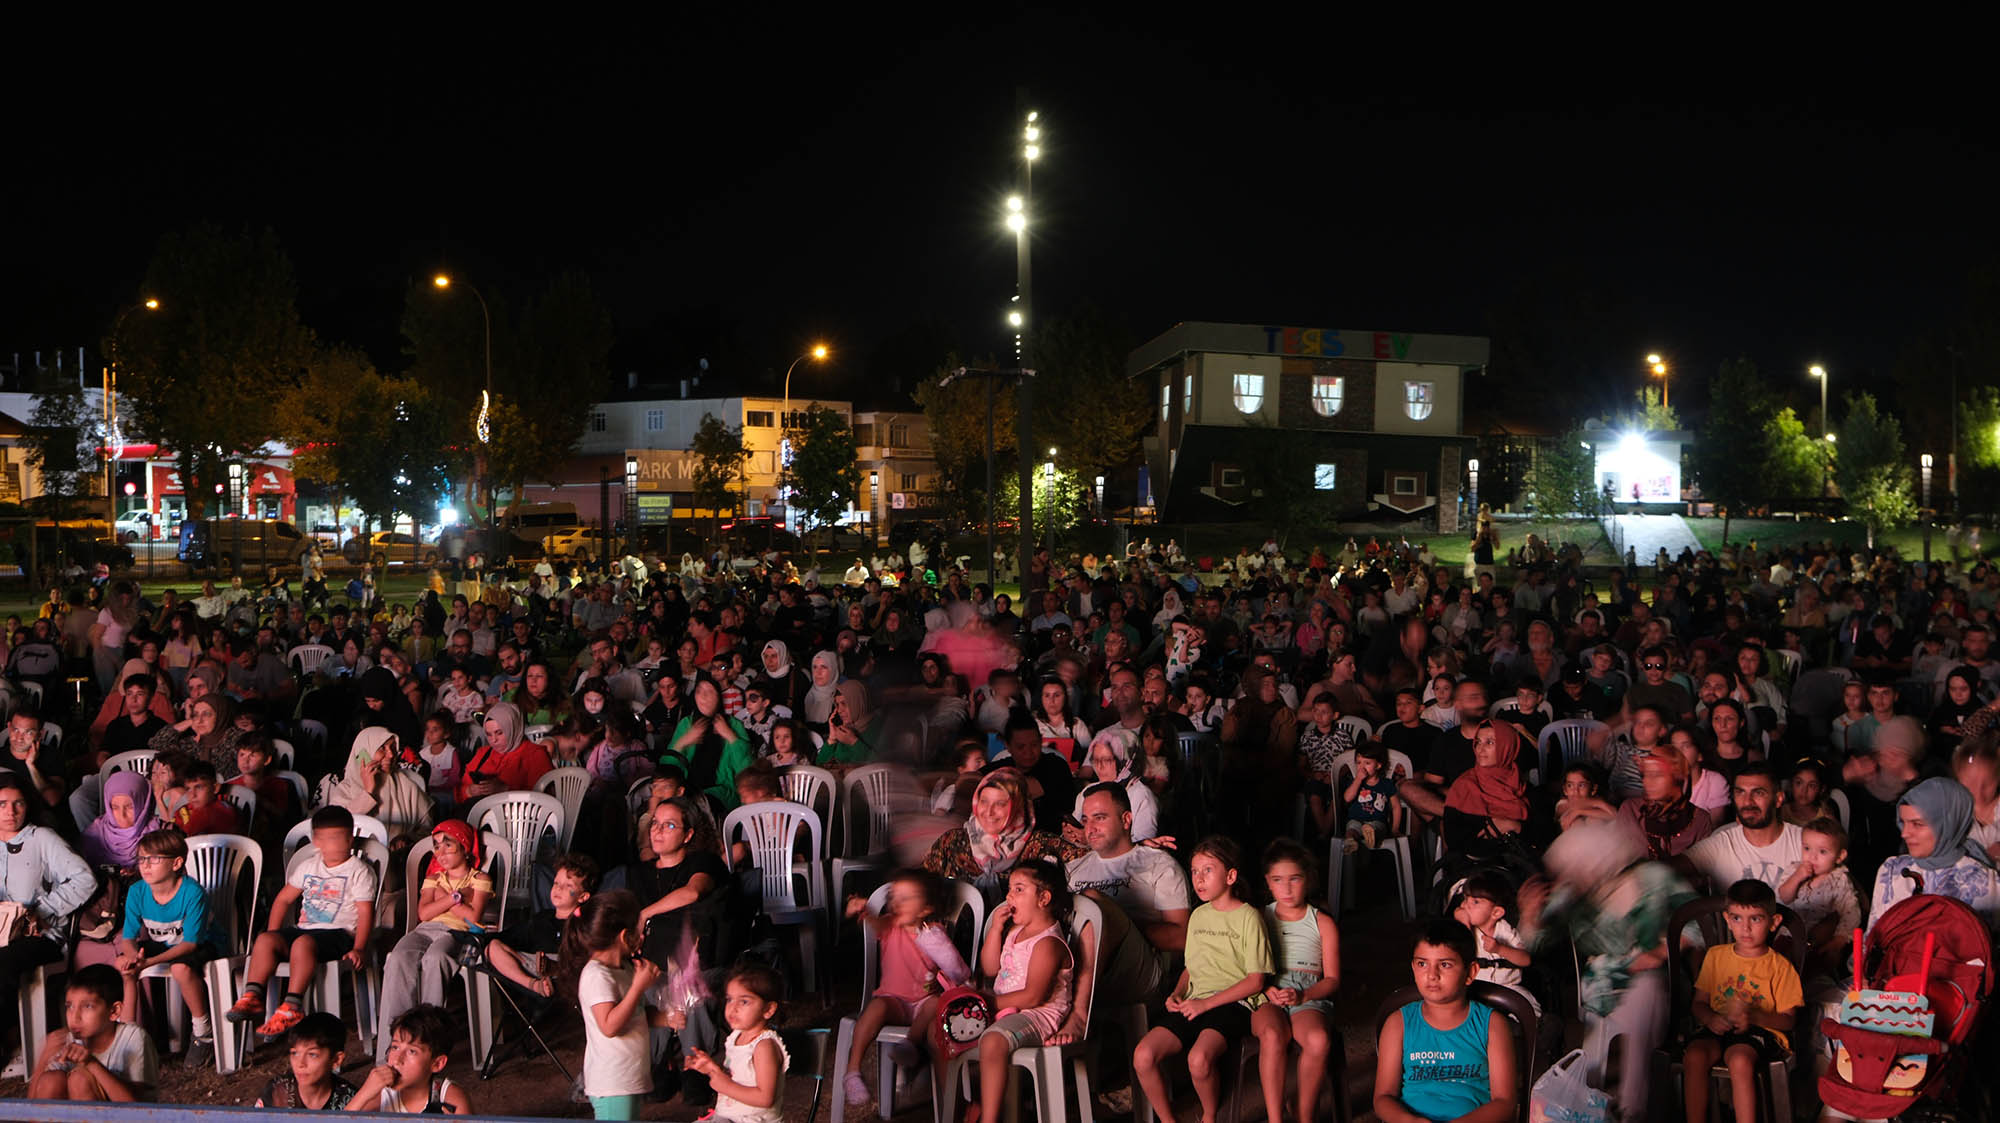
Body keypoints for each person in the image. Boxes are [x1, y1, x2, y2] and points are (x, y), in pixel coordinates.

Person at [1518, 819, 1692, 1121]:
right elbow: (1535, 943)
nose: (1572, 876)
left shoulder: (1653, 878)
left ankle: (1631, 1110)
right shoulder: (1573, 895)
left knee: (1641, 1005)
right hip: (1602, 985)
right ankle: (1596, 1109)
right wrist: (1531, 916)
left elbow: (1696, 923)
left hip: (1659, 979)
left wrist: (1659, 953)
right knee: (1594, 1057)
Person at [1132, 836, 1271, 1123]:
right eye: (1194, 871)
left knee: (1198, 1060)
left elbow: (1256, 982)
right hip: (1195, 1002)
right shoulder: (1198, 916)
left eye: (1208, 870)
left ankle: (1208, 1117)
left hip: (1234, 1003)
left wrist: (1206, 1005)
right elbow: (1190, 968)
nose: (1199, 879)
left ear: (1231, 876)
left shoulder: (1249, 918)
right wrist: (1178, 993)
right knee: (1143, 1055)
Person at [226, 805, 378, 1037]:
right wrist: (275, 936)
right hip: (305, 930)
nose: (335, 844)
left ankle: (292, 1005)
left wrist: (359, 947)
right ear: (316, 841)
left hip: (339, 935)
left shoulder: (359, 870)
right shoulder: (309, 866)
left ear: (351, 839)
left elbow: (366, 912)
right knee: (266, 940)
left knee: (302, 943)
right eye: (328, 839)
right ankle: (253, 995)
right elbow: (283, 900)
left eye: (341, 838)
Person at [839, 869, 974, 1108]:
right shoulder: (889, 925)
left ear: (924, 909)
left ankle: (911, 1045)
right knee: (876, 1007)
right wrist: (862, 909)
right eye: (894, 897)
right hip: (894, 1001)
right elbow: (873, 923)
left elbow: (955, 967)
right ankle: (853, 1071)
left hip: (924, 1003)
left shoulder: (934, 933)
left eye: (905, 898)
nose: (896, 903)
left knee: (936, 1004)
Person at [1681, 879, 1803, 1123]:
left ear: (1773, 922)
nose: (1745, 928)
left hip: (1760, 1032)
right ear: (1727, 920)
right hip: (1718, 1026)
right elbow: (1699, 1003)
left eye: (1755, 919)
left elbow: (1789, 1021)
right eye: (1737, 918)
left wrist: (1754, 1016)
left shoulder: (1780, 966)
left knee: (1739, 1060)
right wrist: (1710, 1019)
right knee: (1694, 1055)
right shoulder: (1715, 957)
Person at [1371, 919, 1517, 1123]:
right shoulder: (1398, 1024)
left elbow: (1505, 1102)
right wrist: (1409, 1121)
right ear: (1413, 968)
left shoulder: (1492, 1024)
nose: (1432, 975)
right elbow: (1382, 1098)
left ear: (1470, 972)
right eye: (1422, 964)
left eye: (1445, 964)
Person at [963, 862, 1075, 1123]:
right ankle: (966, 1104)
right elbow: (991, 968)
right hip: (1005, 1009)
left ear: (1043, 898)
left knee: (992, 1041)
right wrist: (995, 931)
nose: (1009, 896)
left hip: (1037, 1014)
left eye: (1019, 889)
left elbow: (1034, 997)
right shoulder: (1015, 933)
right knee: (949, 1028)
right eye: (1010, 889)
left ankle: (989, 1119)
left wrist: (988, 1003)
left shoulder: (1048, 943)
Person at [374, 821, 493, 1062]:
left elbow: (472, 917)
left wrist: (444, 899)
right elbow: (424, 914)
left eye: (448, 846)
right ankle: (396, 1041)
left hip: (459, 933)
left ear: (465, 848)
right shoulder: (433, 878)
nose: (441, 853)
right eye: (436, 847)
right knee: (398, 957)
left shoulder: (480, 878)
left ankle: (427, 1040)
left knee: (435, 957)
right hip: (426, 929)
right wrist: (458, 898)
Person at [114, 828, 224, 1068]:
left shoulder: (192, 893)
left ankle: (203, 1032)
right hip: (164, 944)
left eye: (154, 859)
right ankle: (127, 1037)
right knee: (123, 965)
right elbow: (129, 937)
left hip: (203, 944)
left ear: (176, 863)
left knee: (181, 970)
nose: (145, 865)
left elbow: (190, 943)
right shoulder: (136, 891)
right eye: (142, 859)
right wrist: (132, 957)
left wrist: (150, 962)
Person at [1252, 839, 1340, 1123]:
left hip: (1308, 990)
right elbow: (1245, 968)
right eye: (1278, 880)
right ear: (1268, 882)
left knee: (1317, 1039)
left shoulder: (1322, 922)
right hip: (1266, 989)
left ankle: (1304, 1115)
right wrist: (1267, 989)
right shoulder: (1259, 918)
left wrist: (1304, 996)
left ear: (1308, 880)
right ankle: (1275, 1118)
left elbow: (1333, 979)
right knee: (1273, 1035)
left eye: (1295, 879)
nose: (1286, 889)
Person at [563, 890, 670, 1119]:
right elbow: (610, 1026)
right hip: (612, 1083)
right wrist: (638, 988)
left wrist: (667, 1017)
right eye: (640, 931)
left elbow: (636, 1014)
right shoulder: (596, 976)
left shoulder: (626, 968)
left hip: (628, 1078)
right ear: (624, 936)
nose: (643, 937)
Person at [1870, 776, 2000, 931]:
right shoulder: (1891, 870)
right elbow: (1871, 939)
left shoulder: (1985, 882)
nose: (1904, 833)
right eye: (1903, 822)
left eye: (1917, 824)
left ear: (1947, 825)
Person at [923, 768, 1083, 890]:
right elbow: (924, 886)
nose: (989, 812)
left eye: (1000, 803)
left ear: (1019, 806)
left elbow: (1093, 866)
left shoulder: (1043, 847)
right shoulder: (951, 843)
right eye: (984, 801)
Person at [27, 963, 155, 1102]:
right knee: (50, 1080)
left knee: (79, 1079)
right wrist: (44, 1058)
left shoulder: (132, 1037)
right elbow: (30, 1110)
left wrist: (91, 1063)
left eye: (87, 1006)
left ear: (114, 1011)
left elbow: (137, 1110)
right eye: (69, 1006)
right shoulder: (67, 1041)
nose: (74, 1017)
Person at [680, 964, 789, 1123]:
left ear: (768, 1009)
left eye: (744, 1001)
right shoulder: (735, 1037)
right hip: (728, 1117)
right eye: (729, 999)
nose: (733, 1008)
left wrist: (725, 1086)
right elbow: (738, 1078)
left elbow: (765, 1098)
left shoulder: (764, 1047)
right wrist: (712, 1069)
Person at [488, 853, 598, 1004]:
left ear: (583, 897)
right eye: (556, 883)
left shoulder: (583, 923)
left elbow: (589, 961)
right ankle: (533, 985)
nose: (559, 889)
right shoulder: (543, 918)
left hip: (565, 973)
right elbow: (512, 936)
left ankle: (541, 981)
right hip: (535, 970)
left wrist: (556, 967)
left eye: (568, 886)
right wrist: (480, 936)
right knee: (492, 947)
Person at [1685, 764, 1802, 892]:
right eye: (1740, 792)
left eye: (1758, 793)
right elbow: (1666, 871)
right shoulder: (1722, 843)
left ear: (1779, 799)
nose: (1747, 802)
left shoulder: (1803, 841)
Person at [1776, 815, 1861, 978]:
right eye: (1807, 848)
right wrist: (1797, 877)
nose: (1812, 857)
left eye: (1822, 851)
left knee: (1820, 972)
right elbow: (1784, 897)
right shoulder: (1794, 870)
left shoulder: (1839, 880)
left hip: (1821, 942)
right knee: (1780, 968)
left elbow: (1851, 913)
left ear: (1840, 856)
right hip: (1789, 936)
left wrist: (1838, 941)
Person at [351, 1003, 474, 1114]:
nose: (397, 1060)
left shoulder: (449, 1097)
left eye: (412, 1051)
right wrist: (364, 1093)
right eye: (395, 1047)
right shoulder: (382, 1095)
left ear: (437, 1063)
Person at [329, 727, 435, 849]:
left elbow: (428, 827)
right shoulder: (346, 789)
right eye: (382, 748)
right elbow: (336, 828)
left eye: (393, 747)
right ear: (364, 753)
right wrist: (368, 791)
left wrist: (409, 838)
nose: (390, 754)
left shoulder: (404, 784)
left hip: (398, 860)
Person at [1451, 873, 1537, 1014]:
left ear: (1496, 912)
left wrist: (1500, 949)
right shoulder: (1462, 928)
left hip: (1508, 987)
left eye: (1476, 902)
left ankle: (1526, 1029)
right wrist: (1463, 924)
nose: (1466, 905)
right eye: (1466, 899)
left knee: (1529, 1008)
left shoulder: (1505, 931)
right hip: (1474, 988)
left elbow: (1525, 960)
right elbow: (1459, 953)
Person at [666, 679, 756, 807]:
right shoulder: (687, 723)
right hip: (686, 790)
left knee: (702, 803)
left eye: (709, 691)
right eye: (699, 691)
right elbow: (667, 768)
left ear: (719, 697)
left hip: (723, 792)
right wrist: (684, 741)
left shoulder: (733, 725)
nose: (703, 696)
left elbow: (747, 769)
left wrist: (730, 736)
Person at [1618, 750, 1714, 859]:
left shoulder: (1699, 819)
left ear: (1677, 777)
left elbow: (1703, 867)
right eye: (1645, 775)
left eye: (1656, 775)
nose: (1647, 781)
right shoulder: (1631, 810)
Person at [253, 1011, 357, 1109]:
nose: (300, 1064)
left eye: (312, 1055)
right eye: (295, 1053)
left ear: (336, 1060)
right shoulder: (278, 1089)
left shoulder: (349, 1099)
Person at [458, 702, 555, 804]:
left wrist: (506, 789)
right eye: (489, 734)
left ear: (513, 728)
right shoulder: (483, 754)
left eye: (499, 733)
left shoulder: (534, 754)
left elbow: (545, 798)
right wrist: (469, 791)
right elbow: (460, 789)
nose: (493, 740)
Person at [1341, 740, 1403, 854]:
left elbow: (1396, 806)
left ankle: (1371, 836)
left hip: (1377, 821)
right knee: (1351, 829)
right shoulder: (1354, 782)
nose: (1362, 767)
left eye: (1367, 763)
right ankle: (1350, 841)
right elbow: (1347, 798)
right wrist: (1358, 780)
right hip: (1356, 820)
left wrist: (1395, 829)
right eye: (1359, 763)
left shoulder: (1387, 784)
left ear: (1378, 765)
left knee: (1377, 828)